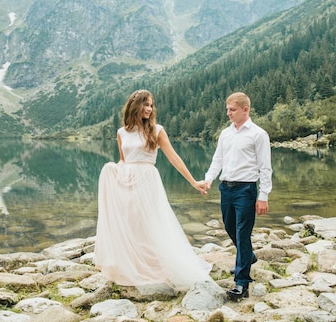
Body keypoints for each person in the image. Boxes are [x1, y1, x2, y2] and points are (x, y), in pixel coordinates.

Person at [94, 89, 212, 291]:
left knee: (148, 222)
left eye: (151, 105)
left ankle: (156, 267)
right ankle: (132, 266)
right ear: (135, 106)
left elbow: (174, 158)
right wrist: (113, 173)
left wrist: (193, 182)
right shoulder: (122, 132)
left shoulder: (157, 130)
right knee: (131, 223)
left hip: (148, 180)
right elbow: (123, 160)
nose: (149, 109)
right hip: (128, 181)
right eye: (146, 104)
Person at [203, 92, 272, 300]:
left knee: (243, 233)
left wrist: (264, 195)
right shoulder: (225, 133)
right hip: (226, 188)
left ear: (245, 109)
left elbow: (265, 168)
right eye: (227, 109)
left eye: (232, 110)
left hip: (246, 190)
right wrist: (208, 179)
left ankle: (242, 284)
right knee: (229, 226)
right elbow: (218, 160)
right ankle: (248, 257)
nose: (228, 113)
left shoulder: (258, 134)